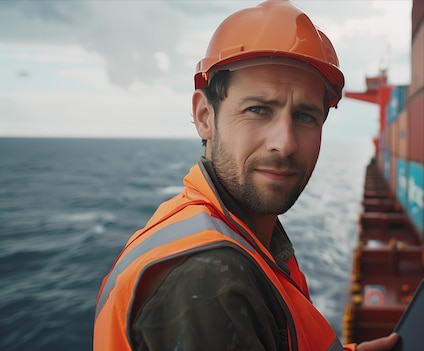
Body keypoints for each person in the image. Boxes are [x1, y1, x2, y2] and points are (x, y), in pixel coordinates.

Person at [93, 0, 398, 350]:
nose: (283, 144)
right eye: (258, 110)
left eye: (305, 116)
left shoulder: (232, 232)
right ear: (205, 117)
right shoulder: (208, 280)